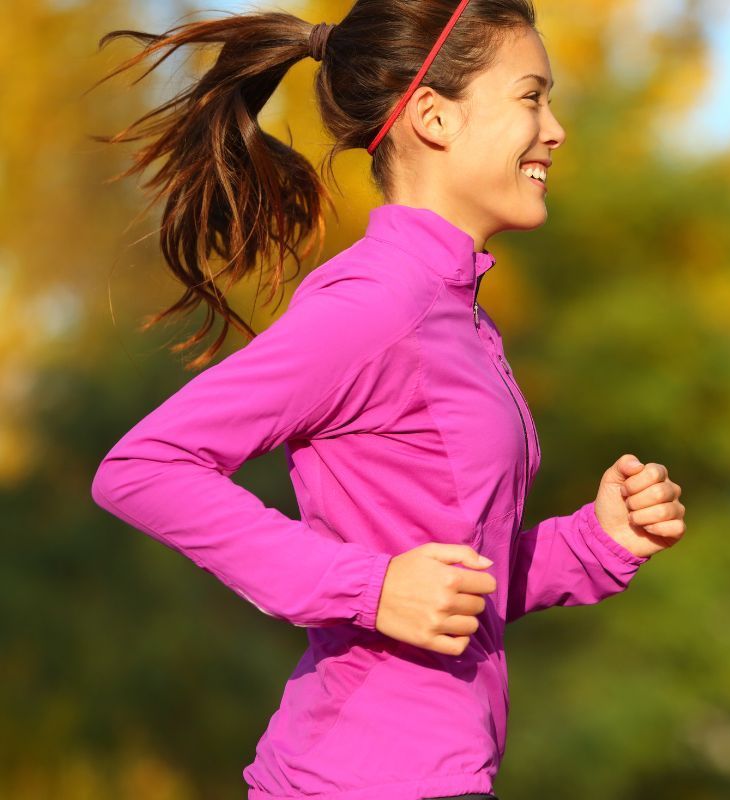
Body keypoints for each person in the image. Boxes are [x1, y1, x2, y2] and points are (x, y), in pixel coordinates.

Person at [88, 1, 688, 798]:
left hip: (437, 772)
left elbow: (458, 576)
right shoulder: (379, 305)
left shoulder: (457, 313)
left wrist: (596, 541)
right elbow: (143, 468)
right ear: (435, 117)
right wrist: (367, 590)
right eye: (531, 97)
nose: (555, 130)